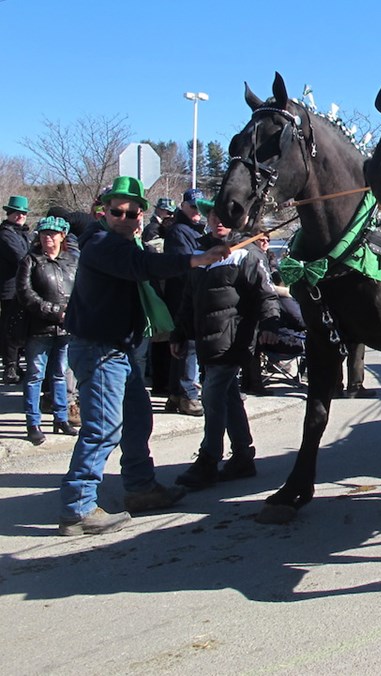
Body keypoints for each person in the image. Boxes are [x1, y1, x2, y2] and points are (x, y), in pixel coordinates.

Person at [59, 176, 231, 536]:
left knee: (138, 419)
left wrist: (204, 251)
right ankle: (78, 508)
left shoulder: (121, 243)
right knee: (102, 429)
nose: (124, 217)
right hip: (99, 350)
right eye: (117, 211)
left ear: (141, 216)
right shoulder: (103, 244)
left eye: (131, 212)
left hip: (117, 350)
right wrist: (197, 260)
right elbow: (144, 267)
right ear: (103, 213)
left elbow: (145, 262)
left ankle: (141, 489)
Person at [173, 201, 279, 489]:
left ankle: (209, 459)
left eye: (225, 216)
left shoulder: (246, 252)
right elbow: (188, 296)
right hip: (205, 338)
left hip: (233, 339)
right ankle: (243, 455)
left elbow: (266, 294)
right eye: (213, 215)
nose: (219, 220)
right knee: (229, 396)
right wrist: (180, 333)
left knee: (212, 396)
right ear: (207, 218)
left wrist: (270, 324)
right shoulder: (200, 252)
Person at [17, 215, 78, 444]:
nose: (48, 238)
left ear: (62, 236)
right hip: (38, 328)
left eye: (52, 234)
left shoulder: (71, 261)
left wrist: (72, 313)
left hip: (65, 329)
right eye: (44, 234)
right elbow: (25, 294)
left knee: (60, 375)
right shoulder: (30, 261)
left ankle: (61, 418)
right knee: (35, 375)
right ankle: (33, 423)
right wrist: (53, 311)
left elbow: (79, 289)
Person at [162, 188, 207, 416]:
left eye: (200, 206)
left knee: (182, 346)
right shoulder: (178, 231)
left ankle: (175, 395)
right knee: (188, 344)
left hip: (191, 294)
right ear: (183, 206)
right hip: (181, 294)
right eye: (192, 206)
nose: (196, 211)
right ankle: (188, 394)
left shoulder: (197, 231)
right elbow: (185, 264)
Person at [0, 194, 32, 383]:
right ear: (9, 213)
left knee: (20, 328)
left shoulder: (23, 233)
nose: (20, 216)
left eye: (23, 213)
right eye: (17, 213)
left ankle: (16, 365)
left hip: (22, 287)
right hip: (10, 289)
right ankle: (10, 367)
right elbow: (21, 257)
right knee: (10, 328)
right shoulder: (5, 234)